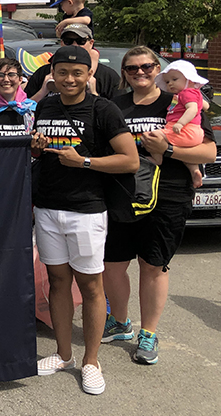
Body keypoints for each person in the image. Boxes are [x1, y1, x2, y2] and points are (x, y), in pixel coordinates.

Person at [30, 44, 139, 396]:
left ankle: (91, 361)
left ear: (89, 74)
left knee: (91, 286)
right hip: (47, 206)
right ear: (54, 74)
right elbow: (43, 150)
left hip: (87, 209)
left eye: (77, 72)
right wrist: (36, 146)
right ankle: (63, 354)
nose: (70, 79)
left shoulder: (103, 109)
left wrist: (86, 163)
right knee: (57, 283)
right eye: (63, 72)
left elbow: (130, 160)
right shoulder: (45, 104)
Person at [103, 48, 216, 366]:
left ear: (159, 70)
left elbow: (208, 152)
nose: (140, 72)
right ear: (124, 73)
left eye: (147, 66)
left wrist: (168, 151)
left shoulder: (178, 100)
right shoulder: (115, 105)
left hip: (168, 195)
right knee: (112, 265)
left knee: (152, 266)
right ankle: (121, 323)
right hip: (121, 194)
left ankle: (148, 333)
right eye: (132, 68)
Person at [25, 24, 120, 102]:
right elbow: (24, 110)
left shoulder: (108, 76)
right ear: (62, 43)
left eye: (81, 41)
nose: (75, 45)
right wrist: (43, 91)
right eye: (68, 41)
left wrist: (93, 94)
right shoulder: (43, 72)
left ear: (91, 43)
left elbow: (118, 113)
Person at [152, 60, 208, 186]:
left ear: (190, 80)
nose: (170, 84)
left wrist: (180, 123)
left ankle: (157, 159)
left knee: (153, 136)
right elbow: (206, 106)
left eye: (174, 79)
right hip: (195, 132)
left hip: (185, 129)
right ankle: (194, 171)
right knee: (185, 155)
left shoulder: (186, 93)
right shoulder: (194, 93)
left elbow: (192, 109)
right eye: (167, 82)